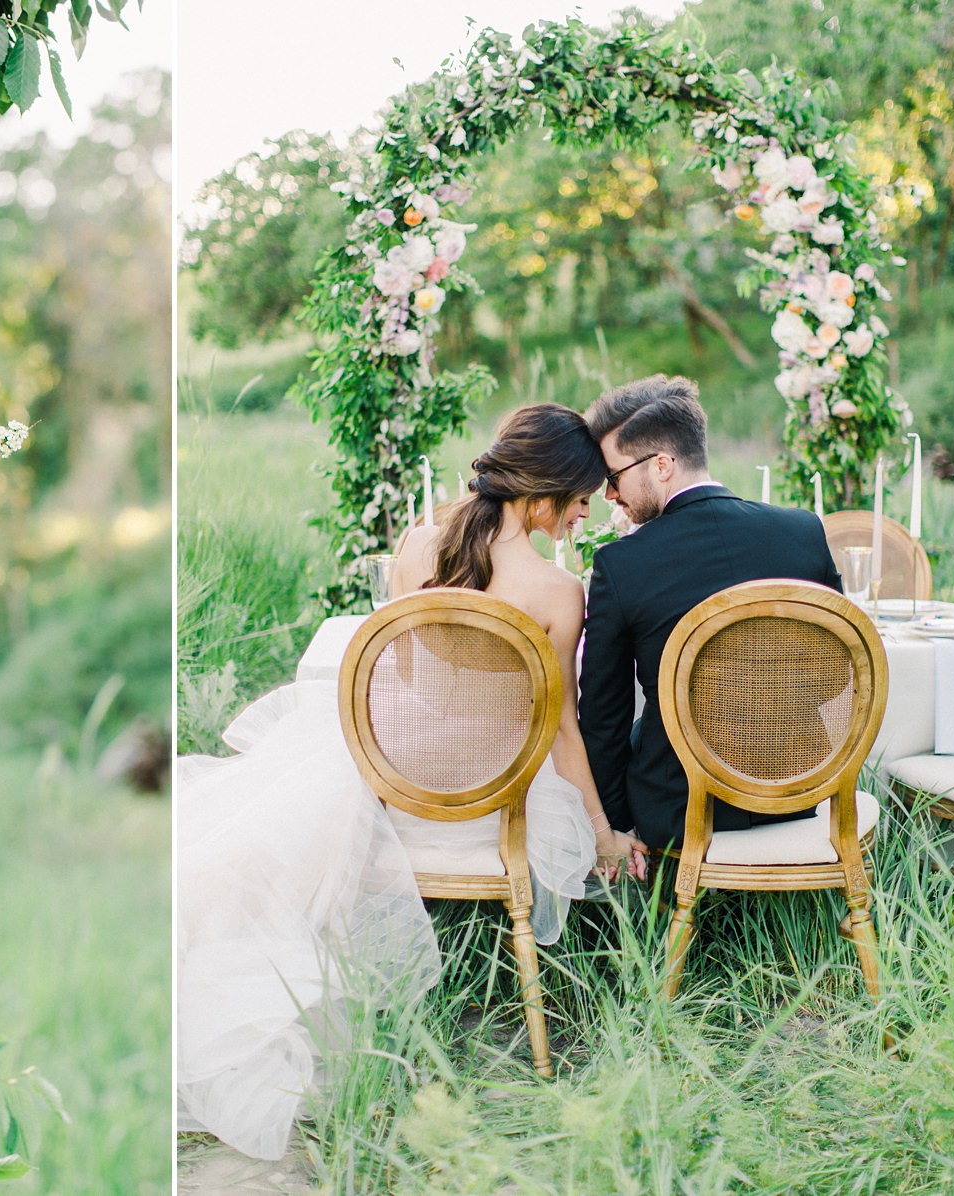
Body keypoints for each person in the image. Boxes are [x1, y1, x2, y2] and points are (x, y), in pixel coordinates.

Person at [177, 403, 639, 1162]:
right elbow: (559, 728)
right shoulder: (558, 593)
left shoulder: (419, 547)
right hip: (494, 789)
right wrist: (599, 828)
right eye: (579, 497)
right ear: (543, 494)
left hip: (397, 776)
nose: (583, 513)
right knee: (554, 780)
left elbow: (407, 671)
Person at [577, 375, 844, 850]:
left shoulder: (623, 565)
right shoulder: (803, 532)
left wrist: (618, 825)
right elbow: (837, 674)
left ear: (661, 465)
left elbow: (604, 716)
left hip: (679, 810)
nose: (610, 496)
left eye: (613, 479)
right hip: (795, 793)